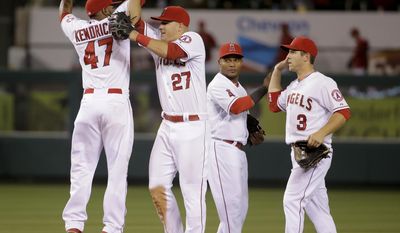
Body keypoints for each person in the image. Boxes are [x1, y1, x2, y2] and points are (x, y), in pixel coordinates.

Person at [123, 5, 209, 233]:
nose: (160, 27)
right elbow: (136, 22)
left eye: (165, 23)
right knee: (157, 187)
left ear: (180, 26)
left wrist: (134, 35)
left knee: (193, 192)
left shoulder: (193, 39)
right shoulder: (157, 43)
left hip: (193, 127)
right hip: (167, 126)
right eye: (159, 23)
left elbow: (172, 53)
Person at [59, 0, 140, 232]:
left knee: (81, 168)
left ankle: (74, 225)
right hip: (115, 102)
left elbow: (64, 13)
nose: (114, 8)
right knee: (117, 170)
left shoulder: (77, 28)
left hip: (89, 102)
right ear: (104, 10)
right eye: (110, 5)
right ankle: (112, 227)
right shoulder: (116, 18)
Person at [267, 36, 351, 233]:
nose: (287, 56)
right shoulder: (294, 86)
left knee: (292, 200)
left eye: (292, 52)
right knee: (319, 210)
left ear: (306, 56)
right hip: (298, 153)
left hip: (314, 152)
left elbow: (343, 112)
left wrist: (322, 133)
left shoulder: (323, 82)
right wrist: (277, 71)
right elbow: (273, 105)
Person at [207, 42, 268, 233]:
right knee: (231, 211)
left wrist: (247, 126)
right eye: (227, 60)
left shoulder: (238, 88)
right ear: (219, 62)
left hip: (237, 150)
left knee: (239, 211)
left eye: (236, 60)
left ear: (241, 63)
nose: (232, 64)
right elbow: (236, 107)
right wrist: (264, 89)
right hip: (221, 149)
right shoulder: (218, 84)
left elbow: (239, 111)